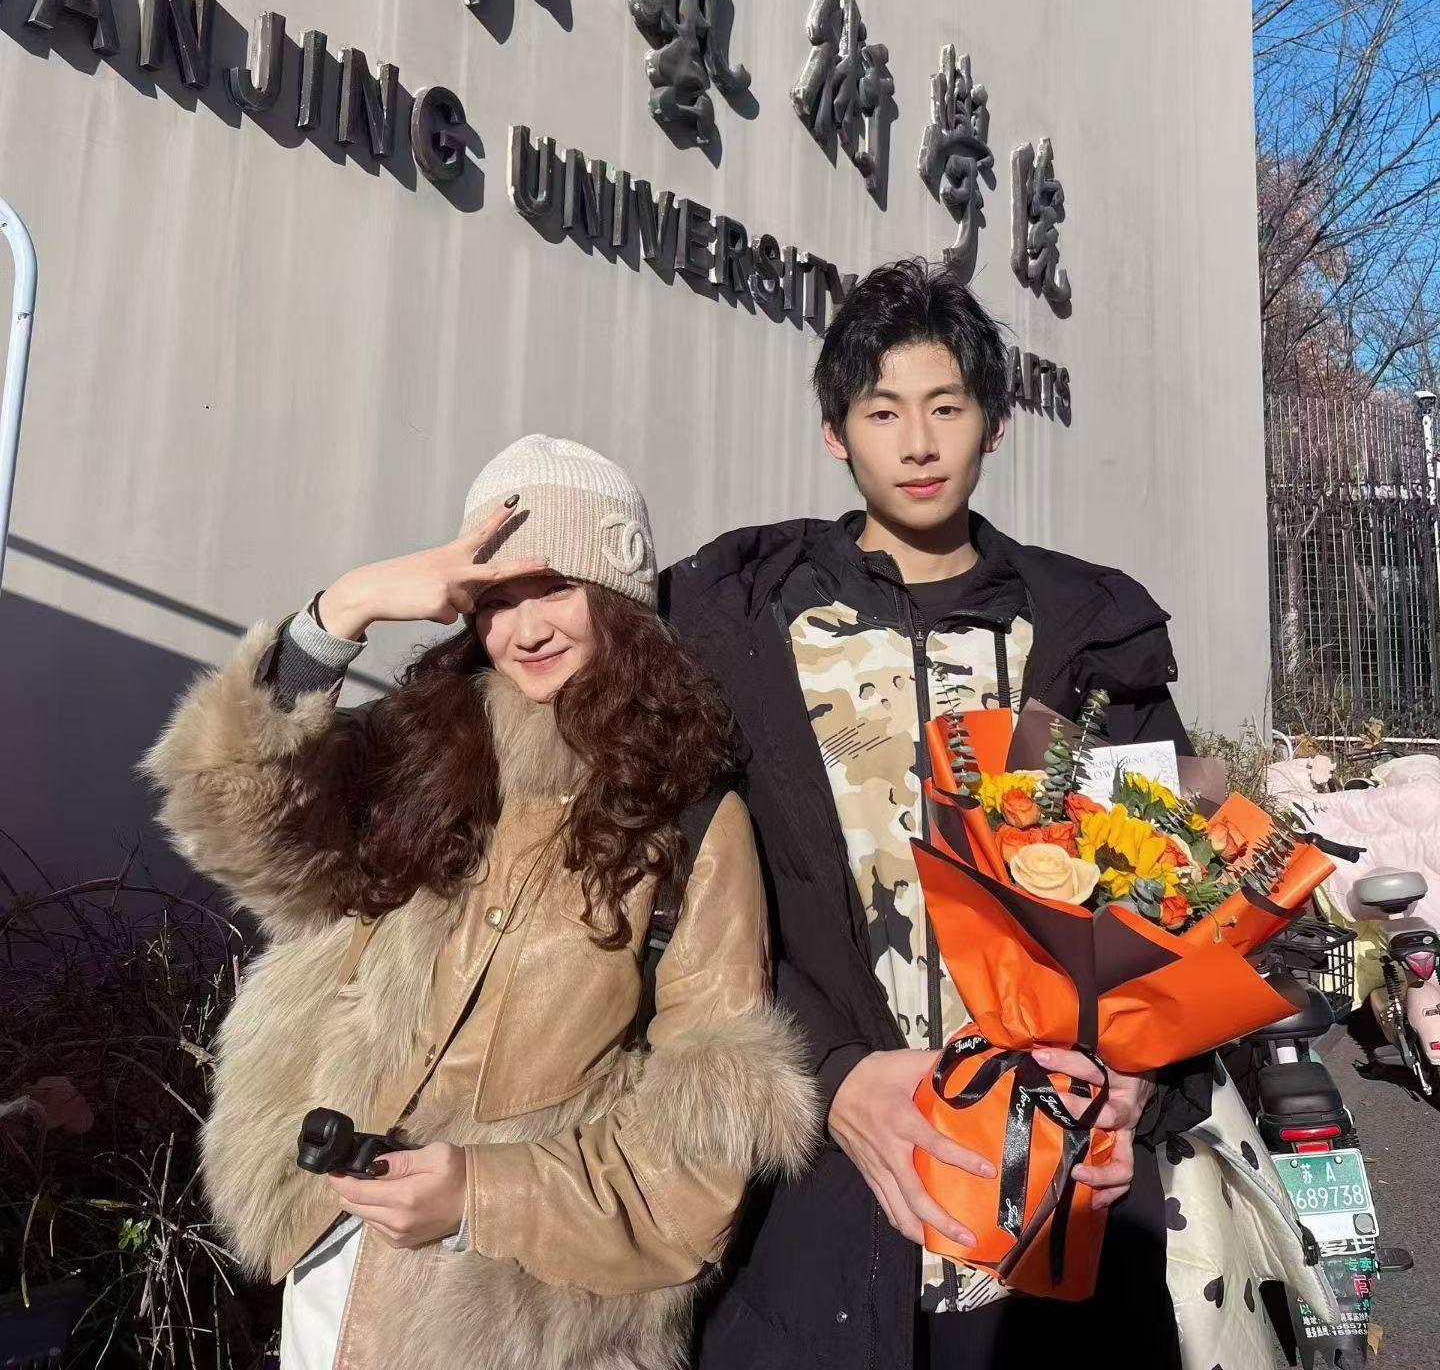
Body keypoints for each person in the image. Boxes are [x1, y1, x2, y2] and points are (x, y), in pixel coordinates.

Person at [145, 435, 817, 1370]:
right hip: (334, 1262)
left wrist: (479, 1192)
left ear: (618, 599)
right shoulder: (424, 754)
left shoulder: (690, 817)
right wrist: (344, 609)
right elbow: (230, 815)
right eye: (495, 599)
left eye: (554, 588)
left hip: (527, 1313)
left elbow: (704, 1146)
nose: (524, 629)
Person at [664, 259, 1212, 1370]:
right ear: (836, 434)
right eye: (883, 412)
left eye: (946, 408)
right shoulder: (744, 626)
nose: (918, 444)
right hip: (818, 1207)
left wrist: (1145, 1082)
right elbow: (679, 897)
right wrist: (828, 1074)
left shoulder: (1084, 636)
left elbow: (1174, 886)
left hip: (1049, 1206)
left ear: (994, 423)